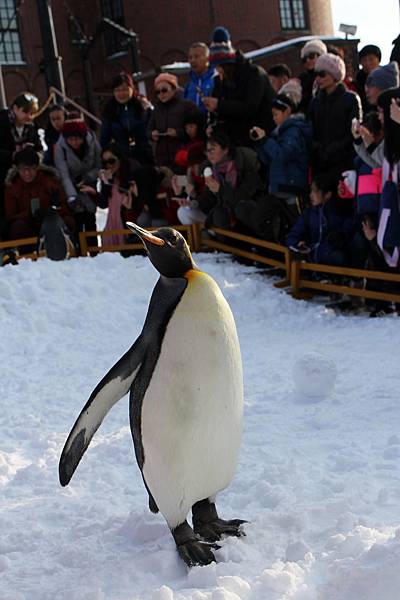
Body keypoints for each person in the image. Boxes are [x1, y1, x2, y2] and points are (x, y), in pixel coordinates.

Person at [202, 26, 275, 146]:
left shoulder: (254, 74)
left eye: (220, 67)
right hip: (234, 140)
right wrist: (212, 126)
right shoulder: (219, 80)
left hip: (258, 137)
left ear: (228, 65)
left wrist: (219, 104)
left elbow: (250, 107)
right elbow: (221, 115)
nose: (218, 71)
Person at [251, 93, 312, 213]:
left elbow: (282, 155)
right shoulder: (280, 132)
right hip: (280, 186)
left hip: (290, 187)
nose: (273, 118)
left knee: (293, 220)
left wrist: (265, 140)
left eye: (276, 114)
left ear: (287, 111)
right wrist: (259, 143)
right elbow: (268, 160)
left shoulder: (294, 132)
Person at [194, 130, 266, 231]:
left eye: (213, 149)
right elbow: (209, 197)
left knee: (240, 209)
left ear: (225, 150)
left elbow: (244, 196)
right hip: (227, 215)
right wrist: (193, 202)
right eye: (207, 150)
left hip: (251, 213)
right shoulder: (212, 169)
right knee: (218, 214)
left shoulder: (244, 164)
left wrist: (220, 189)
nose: (209, 154)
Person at [309, 53, 362, 188]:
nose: (318, 79)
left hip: (343, 163)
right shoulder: (315, 102)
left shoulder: (350, 100)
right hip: (320, 164)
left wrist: (333, 150)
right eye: (316, 74)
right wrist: (318, 150)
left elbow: (354, 132)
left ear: (334, 75)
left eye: (322, 74)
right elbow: (311, 130)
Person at [4, 147, 73, 242]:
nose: (27, 173)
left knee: (67, 222)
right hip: (27, 225)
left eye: (31, 169)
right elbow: (10, 216)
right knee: (18, 227)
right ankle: (26, 255)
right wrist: (29, 214)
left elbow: (64, 208)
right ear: (17, 169)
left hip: (50, 223)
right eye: (23, 169)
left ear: (37, 168)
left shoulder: (50, 183)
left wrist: (51, 211)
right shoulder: (13, 187)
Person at [55, 115, 101, 252]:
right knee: (78, 217)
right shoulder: (60, 147)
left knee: (90, 216)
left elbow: (99, 165)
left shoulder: (92, 142)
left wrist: (87, 177)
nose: (74, 142)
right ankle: (80, 251)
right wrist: (71, 196)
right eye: (70, 139)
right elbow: (63, 173)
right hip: (71, 184)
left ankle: (94, 251)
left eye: (77, 138)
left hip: (88, 183)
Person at [286, 174, 352, 266]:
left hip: (333, 257)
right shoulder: (309, 213)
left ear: (327, 195)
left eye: (314, 192)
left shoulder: (339, 212)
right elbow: (292, 236)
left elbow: (349, 230)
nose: (311, 195)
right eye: (311, 191)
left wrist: (342, 236)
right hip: (311, 256)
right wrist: (297, 244)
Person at [0, 92, 42, 234]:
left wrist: (33, 153)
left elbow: (39, 148)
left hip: (25, 175)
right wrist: (13, 155)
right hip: (3, 174)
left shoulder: (31, 126)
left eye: (32, 113)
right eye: (25, 112)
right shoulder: (2, 122)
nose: (29, 116)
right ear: (15, 108)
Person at [148, 72, 200, 169]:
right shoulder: (157, 109)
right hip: (163, 160)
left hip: (184, 157)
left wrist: (178, 133)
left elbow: (198, 130)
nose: (161, 94)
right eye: (157, 92)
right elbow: (148, 130)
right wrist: (152, 134)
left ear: (174, 89)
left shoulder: (187, 106)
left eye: (164, 90)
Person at [100, 72, 153, 166]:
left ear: (132, 88)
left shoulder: (142, 106)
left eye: (125, 89)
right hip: (122, 157)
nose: (121, 93)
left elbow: (152, 126)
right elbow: (104, 138)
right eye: (117, 90)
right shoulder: (109, 110)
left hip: (145, 154)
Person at [183, 42, 216, 112]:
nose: (192, 60)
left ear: (207, 59)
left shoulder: (215, 80)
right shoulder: (188, 85)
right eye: (190, 57)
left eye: (196, 57)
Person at [298, 39, 327, 114]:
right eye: (304, 59)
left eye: (311, 56)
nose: (307, 60)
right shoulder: (302, 79)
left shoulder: (328, 76)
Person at [355, 45, 381, 112]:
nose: (368, 63)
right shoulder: (358, 80)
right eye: (364, 60)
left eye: (371, 59)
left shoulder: (386, 77)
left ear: (379, 60)